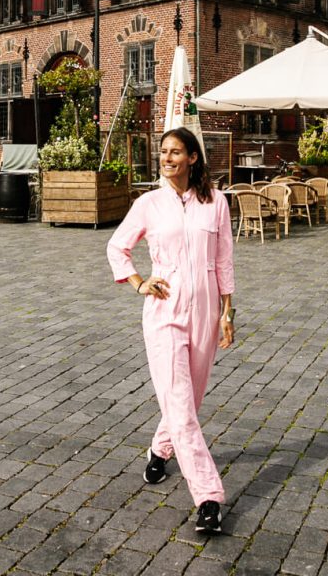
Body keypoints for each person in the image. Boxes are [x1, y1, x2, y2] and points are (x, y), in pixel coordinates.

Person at [106, 127, 235, 534]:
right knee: (180, 404)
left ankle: (160, 451)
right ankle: (209, 496)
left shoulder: (216, 203)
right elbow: (117, 247)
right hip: (164, 311)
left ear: (193, 158)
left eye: (175, 152)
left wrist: (227, 313)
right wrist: (139, 282)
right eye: (163, 152)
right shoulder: (148, 204)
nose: (167, 158)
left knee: (188, 400)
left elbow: (224, 259)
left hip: (206, 311)